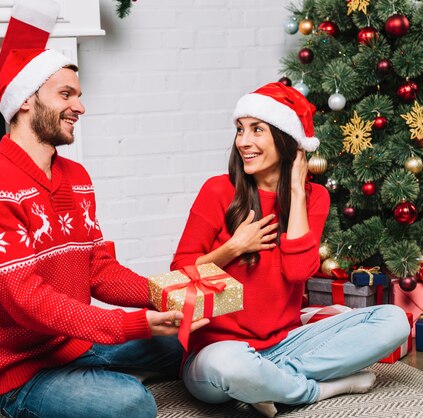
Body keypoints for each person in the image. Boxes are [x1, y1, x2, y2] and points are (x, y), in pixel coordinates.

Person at [0, 48, 208, 418]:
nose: (80, 107)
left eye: (79, 95)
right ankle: (96, 386)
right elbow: (29, 302)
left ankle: (97, 378)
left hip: (79, 344)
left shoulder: (77, 179)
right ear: (26, 100)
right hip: (26, 372)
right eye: (66, 94)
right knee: (133, 404)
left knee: (187, 342)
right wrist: (129, 325)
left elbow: (100, 271)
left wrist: (169, 294)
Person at [170, 82, 410, 417]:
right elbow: (179, 275)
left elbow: (299, 272)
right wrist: (234, 247)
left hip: (284, 344)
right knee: (230, 368)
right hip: (216, 350)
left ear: (287, 141)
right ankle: (316, 389)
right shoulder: (217, 191)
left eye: (257, 130)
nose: (244, 142)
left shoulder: (315, 198)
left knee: (394, 321)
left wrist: (297, 191)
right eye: (240, 130)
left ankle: (268, 383)